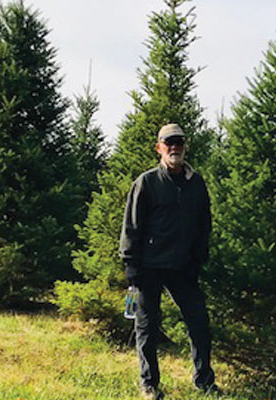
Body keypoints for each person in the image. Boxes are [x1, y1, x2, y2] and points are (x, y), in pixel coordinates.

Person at [119, 123, 217, 399]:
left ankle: (204, 381)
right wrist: (132, 266)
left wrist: (199, 258)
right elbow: (131, 226)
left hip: (183, 268)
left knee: (199, 322)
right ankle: (149, 385)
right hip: (149, 267)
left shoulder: (196, 183)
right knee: (147, 327)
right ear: (159, 147)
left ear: (186, 146)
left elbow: (204, 224)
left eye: (179, 143)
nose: (175, 147)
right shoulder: (147, 182)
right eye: (169, 143)